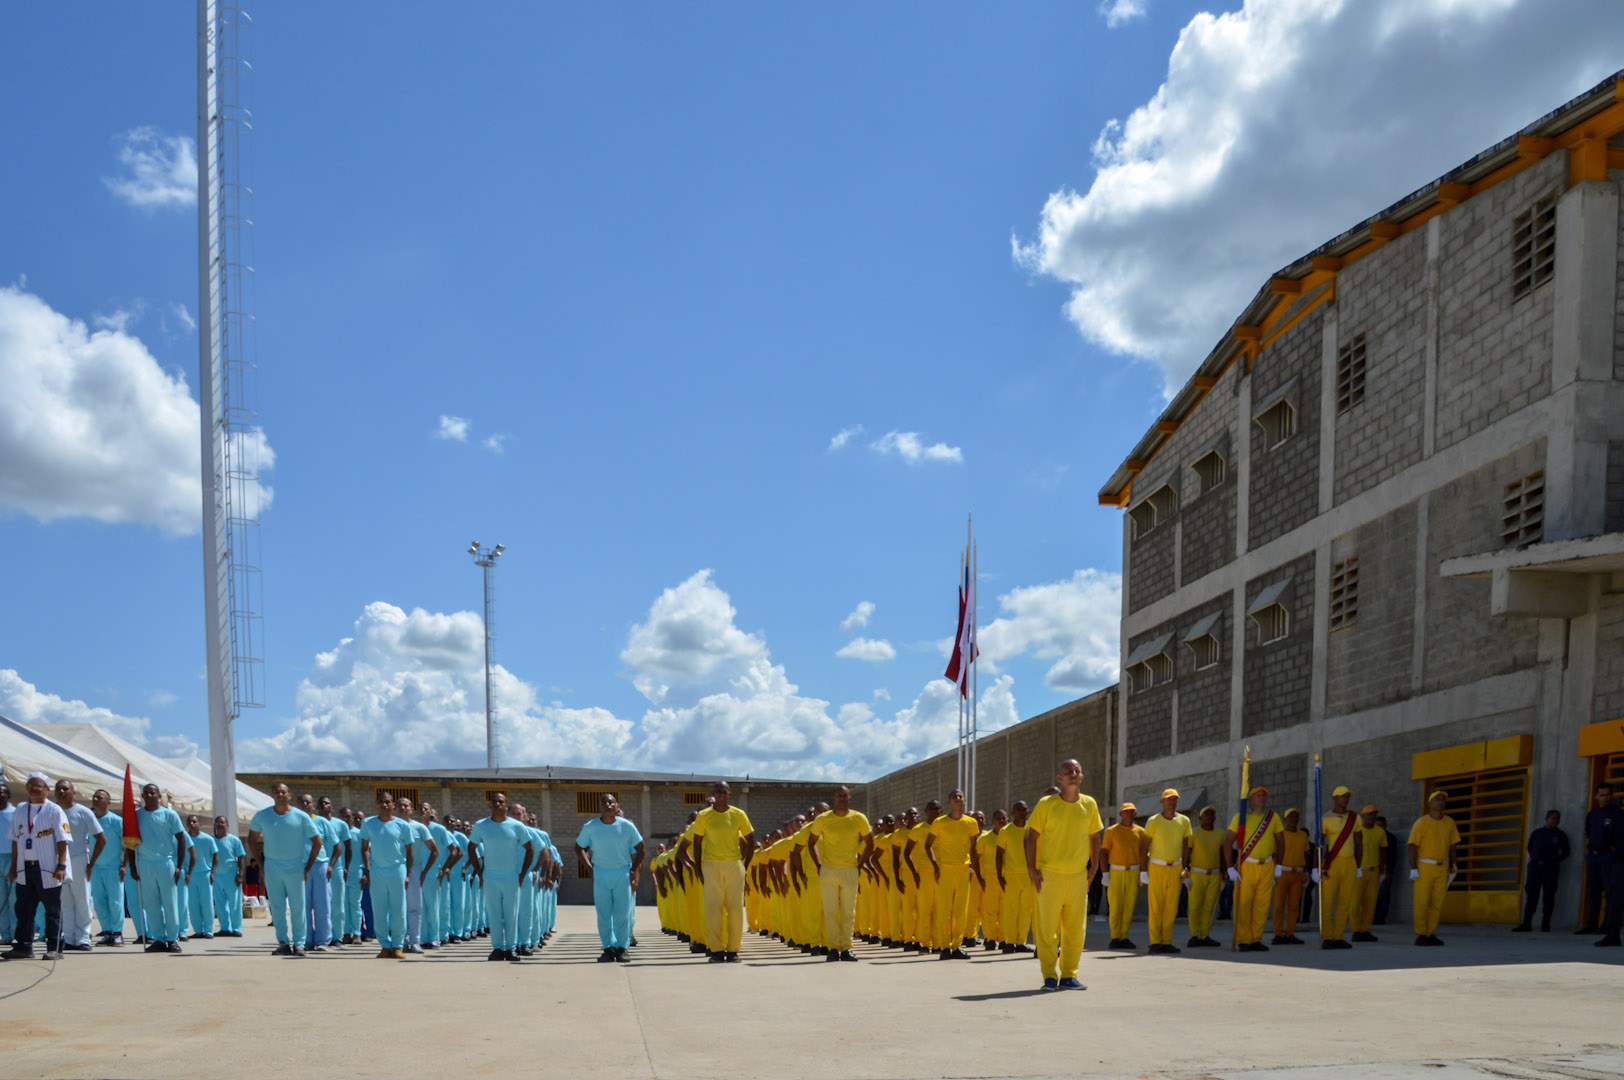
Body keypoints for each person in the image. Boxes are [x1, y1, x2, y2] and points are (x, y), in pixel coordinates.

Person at [1025, 759, 1104, 991]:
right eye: (1068, 771)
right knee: (1047, 930)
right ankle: (1049, 976)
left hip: (1077, 876)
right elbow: (1031, 836)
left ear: (1082, 777)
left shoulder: (1089, 804)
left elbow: (1094, 837)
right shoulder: (1047, 804)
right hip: (1050, 876)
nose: (1073, 773)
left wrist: (1094, 867)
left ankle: (1069, 975)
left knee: (1075, 930)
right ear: (1059, 778)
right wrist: (1032, 868)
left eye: (1077, 770)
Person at [248, 782, 321, 957]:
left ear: (289, 795)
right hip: (272, 866)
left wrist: (307, 866)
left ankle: (300, 944)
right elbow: (252, 839)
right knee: (277, 907)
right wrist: (260, 863)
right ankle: (282, 942)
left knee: (298, 907)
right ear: (272, 795)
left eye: (283, 792)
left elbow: (317, 842)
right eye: (276, 792)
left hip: (295, 866)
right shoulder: (262, 815)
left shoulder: (301, 816)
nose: (280, 795)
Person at [3, 773, 71, 960]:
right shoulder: (20, 809)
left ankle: (54, 947)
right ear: (26, 788)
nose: (35, 788)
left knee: (52, 910)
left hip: (48, 868)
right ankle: (23, 947)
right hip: (25, 868)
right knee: (23, 909)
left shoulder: (54, 810)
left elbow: (62, 840)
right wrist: (13, 867)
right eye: (31, 784)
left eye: (39, 785)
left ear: (47, 790)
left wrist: (61, 865)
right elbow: (16, 840)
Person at [575, 792, 645, 963]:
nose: (607, 805)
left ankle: (622, 948)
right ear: (599, 807)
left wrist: (633, 869)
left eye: (611, 802)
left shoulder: (627, 826)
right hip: (601, 873)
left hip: (622, 872)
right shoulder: (591, 826)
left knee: (622, 913)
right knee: (604, 913)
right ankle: (608, 948)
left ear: (616, 806)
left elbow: (641, 848)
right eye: (604, 802)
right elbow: (579, 847)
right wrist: (590, 868)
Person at [808, 785, 871, 962]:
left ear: (849, 798)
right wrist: (819, 865)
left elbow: (870, 842)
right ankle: (833, 948)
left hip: (850, 869)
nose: (842, 798)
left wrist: (860, 864)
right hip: (829, 869)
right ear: (833, 798)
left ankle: (847, 948)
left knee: (848, 912)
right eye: (839, 795)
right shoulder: (823, 819)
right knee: (830, 911)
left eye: (845, 795)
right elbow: (811, 843)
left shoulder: (858, 818)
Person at [471, 790, 534, 962]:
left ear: (506, 805)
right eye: (495, 802)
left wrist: (522, 873)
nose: (498, 804)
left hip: (511, 876)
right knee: (494, 913)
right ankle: (498, 948)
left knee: (511, 914)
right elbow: (471, 848)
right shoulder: (481, 825)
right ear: (490, 805)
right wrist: (480, 872)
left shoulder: (517, 826)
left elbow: (530, 849)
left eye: (501, 802)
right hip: (490, 876)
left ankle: (512, 948)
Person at [1224, 786, 1284, 952]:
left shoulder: (1273, 817)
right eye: (1257, 795)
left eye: (1264, 795)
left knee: (1262, 905)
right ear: (1250, 799)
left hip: (1267, 865)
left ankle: (1256, 939)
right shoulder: (1241, 817)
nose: (1261, 797)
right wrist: (1230, 867)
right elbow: (1228, 841)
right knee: (1243, 904)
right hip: (1247, 864)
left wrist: (1279, 865)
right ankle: (1243, 939)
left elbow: (1280, 841)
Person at [130, 783, 187, 953]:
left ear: (159, 796)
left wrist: (179, 866)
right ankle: (159, 939)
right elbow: (129, 843)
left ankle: (172, 939)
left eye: (152, 793)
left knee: (170, 903)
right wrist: (132, 866)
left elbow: (181, 839)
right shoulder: (136, 816)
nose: (149, 796)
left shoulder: (170, 815)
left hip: (165, 863)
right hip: (144, 863)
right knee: (151, 904)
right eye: (146, 793)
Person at [924, 789, 978, 960]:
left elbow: (973, 847)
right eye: (954, 797)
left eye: (960, 797)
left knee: (960, 910)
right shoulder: (940, 822)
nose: (957, 799)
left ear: (965, 801)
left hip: (963, 869)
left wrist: (972, 867)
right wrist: (936, 866)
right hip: (945, 869)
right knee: (944, 909)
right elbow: (928, 845)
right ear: (949, 801)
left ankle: (957, 946)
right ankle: (944, 946)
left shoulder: (971, 822)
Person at [52, 778, 105, 952]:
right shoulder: (52, 811)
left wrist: (91, 863)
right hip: (59, 861)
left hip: (78, 859)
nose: (61, 792)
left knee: (82, 899)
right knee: (65, 901)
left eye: (65, 789)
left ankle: (83, 938)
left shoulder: (83, 812)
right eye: (58, 789)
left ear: (73, 792)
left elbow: (101, 839)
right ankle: (69, 938)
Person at [359, 791, 414, 958]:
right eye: (381, 802)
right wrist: (368, 870)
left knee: (398, 910)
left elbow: (410, 852)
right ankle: (384, 945)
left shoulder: (402, 825)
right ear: (377, 804)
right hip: (377, 872)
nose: (384, 805)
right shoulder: (368, 823)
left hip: (397, 871)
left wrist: (408, 875)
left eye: (387, 802)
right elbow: (364, 848)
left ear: (393, 805)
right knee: (379, 910)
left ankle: (397, 945)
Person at [1407, 790, 1461, 946]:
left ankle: (1431, 932)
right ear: (1430, 803)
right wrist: (1413, 868)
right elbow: (1412, 845)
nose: (1441, 802)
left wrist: (1453, 865)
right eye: (1437, 799)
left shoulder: (1449, 822)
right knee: (1422, 902)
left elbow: (1452, 846)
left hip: (1442, 866)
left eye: (1443, 799)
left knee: (1437, 902)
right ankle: (1421, 933)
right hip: (1425, 866)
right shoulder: (1421, 823)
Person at [1141, 789, 1191, 955]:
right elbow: (1145, 846)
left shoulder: (1184, 821)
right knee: (1156, 906)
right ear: (1162, 802)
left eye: (1175, 799)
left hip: (1176, 867)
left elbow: (1185, 846)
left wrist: (1185, 868)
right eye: (1169, 799)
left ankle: (1166, 941)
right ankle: (1155, 942)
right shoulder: (1153, 821)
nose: (1172, 802)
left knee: (1171, 907)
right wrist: (1143, 870)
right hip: (1157, 866)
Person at [1512, 810, 1568, 933]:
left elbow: (1565, 852)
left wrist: (1554, 860)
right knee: (1532, 895)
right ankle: (1526, 923)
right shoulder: (1537, 833)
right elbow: (1530, 847)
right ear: (1546, 818)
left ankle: (1545, 924)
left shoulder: (1560, 835)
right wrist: (1536, 859)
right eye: (1553, 818)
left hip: (1551, 868)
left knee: (1548, 895)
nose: (1555, 820)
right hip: (1536, 867)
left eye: (1557, 818)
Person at [1317, 786, 1360, 949]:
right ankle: (1327, 937)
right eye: (1341, 796)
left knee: (1345, 902)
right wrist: (1316, 866)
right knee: (1327, 901)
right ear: (1334, 799)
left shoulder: (1355, 818)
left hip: (1350, 862)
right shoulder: (1326, 819)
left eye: (1347, 796)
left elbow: (1358, 842)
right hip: (1332, 863)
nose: (1345, 799)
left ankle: (1339, 936)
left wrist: (1359, 865)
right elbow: (1319, 844)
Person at [1099, 802, 1145, 950]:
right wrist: (1105, 873)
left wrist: (1143, 872)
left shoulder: (1141, 832)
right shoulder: (1111, 831)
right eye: (1126, 812)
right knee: (1116, 906)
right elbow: (1104, 852)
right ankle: (1115, 937)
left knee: (1129, 906)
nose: (1129, 814)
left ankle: (1124, 936)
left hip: (1133, 871)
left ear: (1135, 813)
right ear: (1120, 814)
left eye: (1132, 811)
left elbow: (1144, 853)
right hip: (1116, 871)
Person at [1577, 783, 1619, 934]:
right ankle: (1592, 924)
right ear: (1596, 796)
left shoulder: (1616, 813)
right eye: (1602, 795)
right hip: (1593, 856)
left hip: (1608, 856)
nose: (1605, 797)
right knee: (1593, 891)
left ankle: (1608, 925)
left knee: (1610, 892)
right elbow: (1588, 832)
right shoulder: (1592, 814)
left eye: (1608, 794)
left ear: (1611, 795)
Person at [89, 789, 126, 945]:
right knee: (99, 902)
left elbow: (128, 845)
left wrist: (124, 865)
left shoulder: (117, 821)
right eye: (94, 797)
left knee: (115, 902)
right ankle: (108, 931)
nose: (96, 799)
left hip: (113, 867)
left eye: (100, 797)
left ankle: (118, 933)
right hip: (96, 868)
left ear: (108, 802)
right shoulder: (90, 820)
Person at [1271, 808, 1312, 946]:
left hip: (1298, 873)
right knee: (1279, 905)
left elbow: (1306, 854)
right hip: (1282, 872)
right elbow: (1273, 854)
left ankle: (1290, 933)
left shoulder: (1302, 835)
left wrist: (1307, 872)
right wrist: (1272, 872)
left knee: (1294, 906)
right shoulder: (1280, 834)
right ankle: (1278, 933)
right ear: (1285, 819)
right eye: (1290, 817)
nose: (1293, 819)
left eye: (1296, 816)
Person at [997, 800, 1034, 953]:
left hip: (1029, 875)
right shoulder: (1006, 831)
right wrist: (1000, 876)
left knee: (1026, 910)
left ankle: (1021, 942)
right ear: (1012, 813)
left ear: (1028, 811)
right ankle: (1010, 942)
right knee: (1011, 910)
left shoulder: (1032, 829)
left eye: (1024, 809)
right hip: (1011, 876)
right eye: (1018, 809)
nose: (1021, 812)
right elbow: (999, 855)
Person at [316, 797, 351, 947]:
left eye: (327, 803)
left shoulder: (341, 825)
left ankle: (337, 936)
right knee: (321, 904)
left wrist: (346, 867)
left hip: (336, 869)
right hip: (318, 867)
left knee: (338, 904)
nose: (324, 805)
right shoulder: (313, 822)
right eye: (321, 803)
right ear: (317, 807)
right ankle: (324, 936)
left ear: (332, 807)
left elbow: (348, 847)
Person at [1186, 805, 1223, 947]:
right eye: (1206, 814)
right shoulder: (1194, 833)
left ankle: (1205, 935)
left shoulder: (1220, 834)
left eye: (1212, 814)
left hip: (1214, 874)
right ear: (1200, 818)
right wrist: (1185, 875)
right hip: (1196, 874)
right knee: (1194, 906)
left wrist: (1224, 874)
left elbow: (1222, 855)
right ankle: (1194, 935)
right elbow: (1186, 856)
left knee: (1209, 907)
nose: (1209, 817)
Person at [1350, 805, 1386, 942]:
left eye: (1374, 814)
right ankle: (1355, 930)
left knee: (1370, 903)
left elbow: (1383, 849)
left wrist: (1383, 867)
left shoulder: (1380, 832)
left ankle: (1365, 930)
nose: (1372, 816)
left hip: (1374, 871)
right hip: (1360, 870)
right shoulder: (1357, 831)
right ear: (1363, 816)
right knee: (1355, 903)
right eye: (1369, 814)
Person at [182, 814, 218, 941]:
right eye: (189, 822)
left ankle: (209, 930)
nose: (192, 824)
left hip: (205, 874)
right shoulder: (184, 839)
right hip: (189, 875)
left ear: (199, 824)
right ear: (186, 825)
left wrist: (213, 872)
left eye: (194, 821)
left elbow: (216, 856)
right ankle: (198, 930)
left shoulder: (208, 839)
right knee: (192, 904)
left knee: (207, 903)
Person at [975, 808, 1006, 951]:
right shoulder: (985, 839)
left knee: (1005, 911)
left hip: (1006, 878)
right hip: (990, 878)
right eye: (998, 819)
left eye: (1003, 818)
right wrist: (980, 878)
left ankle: (1004, 939)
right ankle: (990, 939)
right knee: (990, 912)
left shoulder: (1009, 836)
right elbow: (976, 860)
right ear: (993, 821)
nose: (1001, 821)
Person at [212, 816, 246, 937]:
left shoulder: (234, 840)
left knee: (235, 904)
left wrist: (240, 875)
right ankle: (225, 928)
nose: (220, 825)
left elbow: (241, 857)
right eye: (218, 823)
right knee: (220, 904)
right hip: (216, 877)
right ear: (215, 825)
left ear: (227, 825)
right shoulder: (211, 840)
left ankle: (237, 928)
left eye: (222, 822)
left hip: (231, 876)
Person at [1373, 814, 1397, 925]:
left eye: (1382, 825)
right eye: (1378, 826)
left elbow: (1393, 856)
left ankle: (1380, 918)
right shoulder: (1371, 836)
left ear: (1385, 825)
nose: (1380, 828)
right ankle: (1371, 917)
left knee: (1384, 894)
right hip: (1372, 869)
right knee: (1372, 895)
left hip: (1385, 870)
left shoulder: (1391, 838)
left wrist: (1389, 872)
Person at [0, 782, 14, 947]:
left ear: (8, 796)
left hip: (12, 858)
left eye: (2, 792)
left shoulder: (16, 812)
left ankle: (18, 932)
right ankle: (6, 933)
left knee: (14, 899)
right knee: (1, 900)